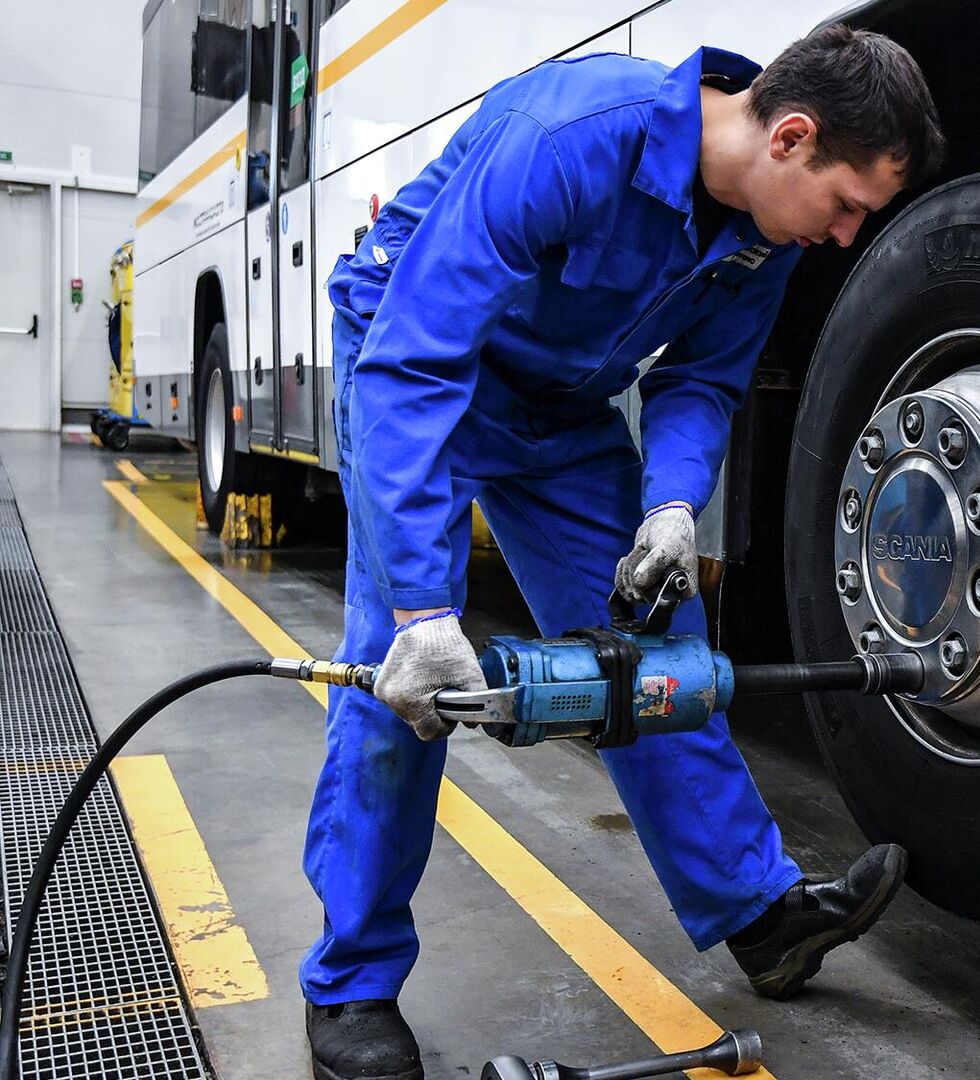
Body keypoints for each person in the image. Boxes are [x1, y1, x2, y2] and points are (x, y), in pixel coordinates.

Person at [303, 26, 945, 1080]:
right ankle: (353, 985)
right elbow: (414, 359)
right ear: (792, 136)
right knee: (403, 686)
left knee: (653, 665)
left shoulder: (763, 235)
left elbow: (697, 382)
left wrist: (674, 508)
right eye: (847, 208)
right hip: (419, 365)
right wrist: (425, 610)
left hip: (559, 406)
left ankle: (759, 913)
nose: (842, 237)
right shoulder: (574, 135)